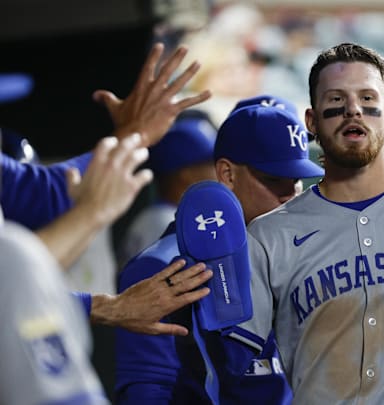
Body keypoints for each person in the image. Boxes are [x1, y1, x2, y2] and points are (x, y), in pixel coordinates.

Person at [197, 42, 384, 404]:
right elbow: (245, 371)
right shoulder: (269, 235)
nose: (353, 110)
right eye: (336, 100)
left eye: (366, 97)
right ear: (312, 122)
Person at [114, 96, 323, 404]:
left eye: (296, 181)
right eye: (273, 180)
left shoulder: (303, 256)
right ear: (227, 174)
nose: (289, 195)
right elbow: (148, 390)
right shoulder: (162, 265)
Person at [0, 44, 215, 337]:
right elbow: (12, 283)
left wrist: (132, 135)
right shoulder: (159, 219)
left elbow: (43, 193)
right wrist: (92, 213)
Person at [119, 109, 217, 266]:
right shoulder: (164, 224)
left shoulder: (158, 217)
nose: (218, 172)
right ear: (186, 174)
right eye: (211, 164)